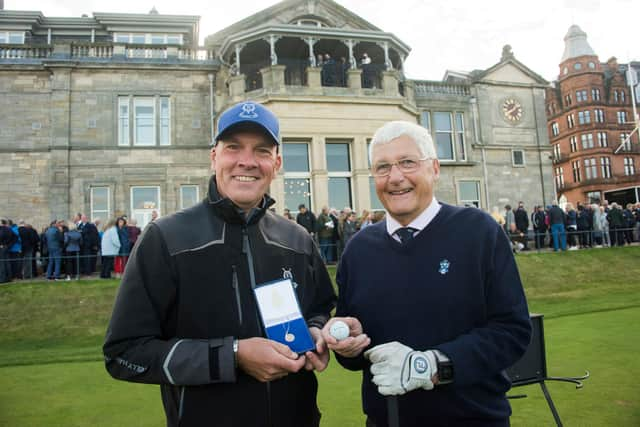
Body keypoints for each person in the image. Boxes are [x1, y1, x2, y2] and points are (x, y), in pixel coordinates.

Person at [103, 101, 336, 427]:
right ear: (214, 156)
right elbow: (124, 353)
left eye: (262, 150)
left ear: (277, 162)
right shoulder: (165, 237)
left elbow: (319, 309)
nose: (247, 161)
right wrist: (234, 356)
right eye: (233, 148)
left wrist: (315, 332)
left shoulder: (297, 239)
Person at [321, 121, 531, 427]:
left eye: (407, 162)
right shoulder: (358, 249)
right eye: (382, 167)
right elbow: (355, 357)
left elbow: (512, 331)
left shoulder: (478, 231)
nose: (395, 177)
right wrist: (348, 344)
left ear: (434, 168)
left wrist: (433, 365)